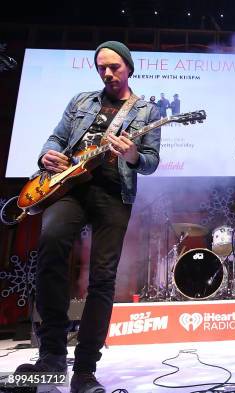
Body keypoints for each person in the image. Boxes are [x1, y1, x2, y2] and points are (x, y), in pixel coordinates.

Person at [14, 41, 161, 393]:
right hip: (71, 189)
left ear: (129, 68)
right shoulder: (82, 101)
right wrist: (48, 154)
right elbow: (56, 137)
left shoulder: (146, 111)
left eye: (114, 67)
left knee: (103, 277)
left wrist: (133, 155)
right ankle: (50, 354)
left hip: (114, 195)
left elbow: (151, 161)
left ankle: (84, 369)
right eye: (101, 68)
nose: (107, 73)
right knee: (49, 245)